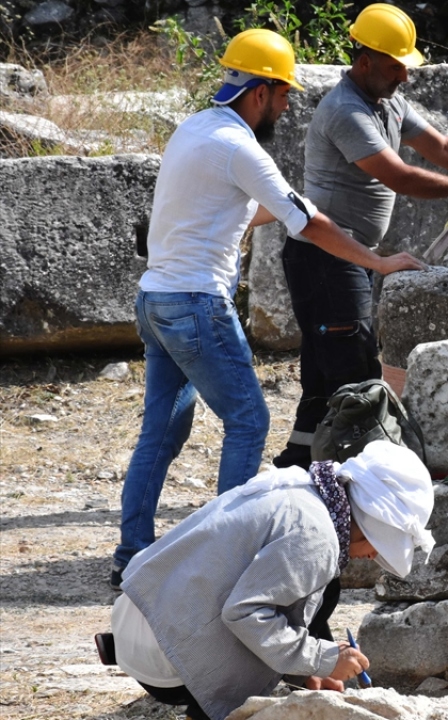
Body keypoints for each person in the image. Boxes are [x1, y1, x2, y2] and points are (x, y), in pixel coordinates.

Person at [111, 27, 426, 591]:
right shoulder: (240, 145)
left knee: (160, 432)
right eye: (283, 95)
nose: (285, 105)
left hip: (155, 300)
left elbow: (236, 209)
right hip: (195, 304)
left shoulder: (195, 130)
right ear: (260, 92)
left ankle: (131, 551)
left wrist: (291, 210)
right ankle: (228, 558)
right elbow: (307, 220)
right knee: (250, 420)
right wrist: (375, 263)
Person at [272, 2, 448, 470]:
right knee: (353, 370)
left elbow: (440, 147)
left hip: (343, 254)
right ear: (365, 63)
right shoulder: (345, 110)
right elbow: (400, 176)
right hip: (324, 257)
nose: (404, 77)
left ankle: (301, 465)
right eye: (394, 67)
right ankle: (346, 477)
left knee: (327, 371)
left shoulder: (388, 102)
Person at [107, 441, 435, 720]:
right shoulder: (318, 537)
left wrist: (306, 669)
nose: (373, 555)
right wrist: (324, 659)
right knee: (308, 595)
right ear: (371, 520)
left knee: (318, 594)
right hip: (164, 655)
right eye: (383, 541)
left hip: (140, 615)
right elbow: (245, 614)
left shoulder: (299, 488)